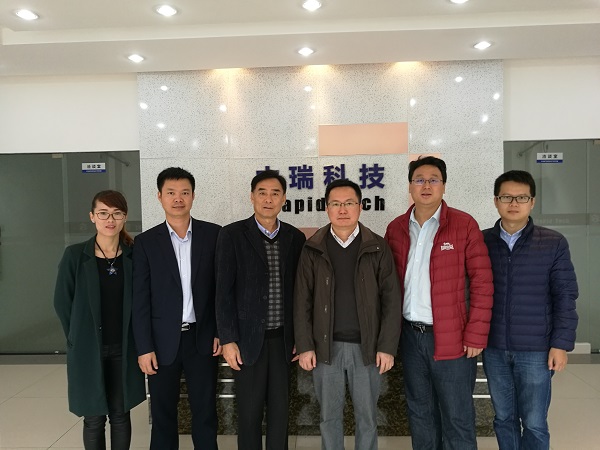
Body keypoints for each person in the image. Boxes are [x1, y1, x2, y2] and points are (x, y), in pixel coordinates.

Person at [384, 155, 494, 450]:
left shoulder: (463, 225)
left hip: (453, 338)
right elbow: (388, 286)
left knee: (457, 416)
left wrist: (476, 334)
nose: (426, 186)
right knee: (420, 413)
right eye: (419, 179)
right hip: (411, 336)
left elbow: (482, 282)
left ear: (444, 186)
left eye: (434, 180)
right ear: (410, 186)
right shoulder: (396, 228)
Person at [294, 179, 402, 450]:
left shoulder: (377, 247)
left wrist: (387, 347)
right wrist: (305, 346)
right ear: (326, 208)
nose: (342, 209)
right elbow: (301, 300)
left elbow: (391, 300)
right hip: (325, 348)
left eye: (349, 203)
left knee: (367, 417)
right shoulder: (313, 247)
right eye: (336, 204)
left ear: (360, 206)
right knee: (329, 417)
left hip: (367, 349)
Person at [482, 170, 578, 450]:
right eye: (506, 197)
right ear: (496, 201)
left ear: (532, 202)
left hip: (536, 350)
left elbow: (565, 296)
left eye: (521, 197)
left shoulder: (553, 242)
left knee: (535, 422)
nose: (514, 203)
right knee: (504, 418)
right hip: (494, 347)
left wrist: (560, 344)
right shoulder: (481, 241)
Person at [215, 170, 306, 450]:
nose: (268, 199)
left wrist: (301, 337)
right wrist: (228, 339)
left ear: (284, 199)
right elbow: (222, 291)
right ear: (252, 197)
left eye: (275, 193)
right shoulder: (232, 234)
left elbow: (301, 293)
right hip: (247, 341)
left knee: (280, 413)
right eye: (262, 193)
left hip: (283, 341)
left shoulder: (295, 237)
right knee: (249, 414)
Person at [132, 167, 222, 450]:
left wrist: (220, 331)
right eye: (171, 193)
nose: (178, 199)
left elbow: (222, 290)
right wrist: (144, 347)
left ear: (193, 196)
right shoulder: (146, 242)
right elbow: (140, 299)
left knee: (205, 411)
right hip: (161, 343)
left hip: (202, 339)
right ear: (159, 197)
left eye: (184, 192)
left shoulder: (214, 235)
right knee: (163, 415)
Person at [54, 190, 146, 450]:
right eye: (103, 213)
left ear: (125, 217)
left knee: (120, 414)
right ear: (92, 216)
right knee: (93, 417)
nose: (110, 220)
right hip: (88, 348)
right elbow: (62, 302)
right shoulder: (75, 256)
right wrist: (77, 336)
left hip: (124, 348)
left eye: (117, 213)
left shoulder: (134, 254)